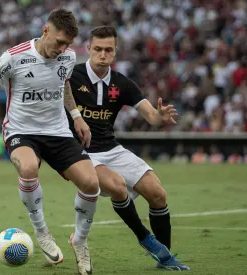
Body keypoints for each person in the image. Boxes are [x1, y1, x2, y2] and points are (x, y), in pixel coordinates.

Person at [0, 8, 99, 275]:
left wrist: (76, 117)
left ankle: (80, 242)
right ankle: (41, 231)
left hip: (58, 132)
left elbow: (64, 85)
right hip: (21, 131)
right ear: (45, 30)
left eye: (68, 44)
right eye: (59, 41)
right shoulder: (13, 58)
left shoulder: (68, 57)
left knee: (91, 183)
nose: (63, 48)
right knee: (28, 168)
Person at [68, 26, 189, 271]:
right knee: (117, 186)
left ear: (115, 52)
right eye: (98, 49)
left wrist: (160, 116)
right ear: (88, 49)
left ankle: (163, 255)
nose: (103, 54)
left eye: (109, 50)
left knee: (158, 194)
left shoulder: (122, 83)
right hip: (80, 153)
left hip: (111, 148)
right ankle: (145, 238)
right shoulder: (71, 76)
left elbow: (152, 118)